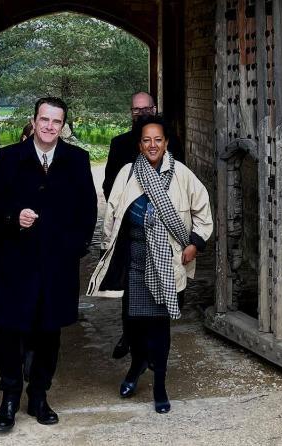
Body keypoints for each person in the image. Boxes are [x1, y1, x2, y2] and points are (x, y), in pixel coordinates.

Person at [0, 97, 98, 432]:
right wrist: (13, 216)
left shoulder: (77, 159)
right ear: (33, 121)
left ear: (64, 126)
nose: (50, 127)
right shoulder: (9, 157)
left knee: (49, 331)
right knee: (10, 328)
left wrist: (75, 247)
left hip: (57, 263)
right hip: (16, 260)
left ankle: (38, 396)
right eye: (44, 120)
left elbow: (87, 208)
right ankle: (8, 398)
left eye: (56, 122)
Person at [87, 114, 213, 414]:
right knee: (134, 326)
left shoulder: (182, 175)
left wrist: (194, 244)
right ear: (140, 145)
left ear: (166, 143)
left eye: (158, 139)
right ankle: (136, 366)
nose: (153, 145)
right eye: (147, 140)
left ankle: (160, 385)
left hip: (168, 264)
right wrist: (111, 250)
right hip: (135, 261)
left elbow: (203, 212)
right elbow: (112, 216)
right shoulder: (128, 174)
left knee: (159, 329)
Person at [102, 91, 185, 360]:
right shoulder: (119, 144)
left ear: (155, 108)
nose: (141, 113)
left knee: (165, 278)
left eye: (146, 108)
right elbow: (109, 185)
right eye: (136, 110)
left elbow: (183, 183)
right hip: (132, 229)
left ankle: (156, 344)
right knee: (132, 286)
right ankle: (130, 336)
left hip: (164, 226)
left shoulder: (170, 143)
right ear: (131, 113)